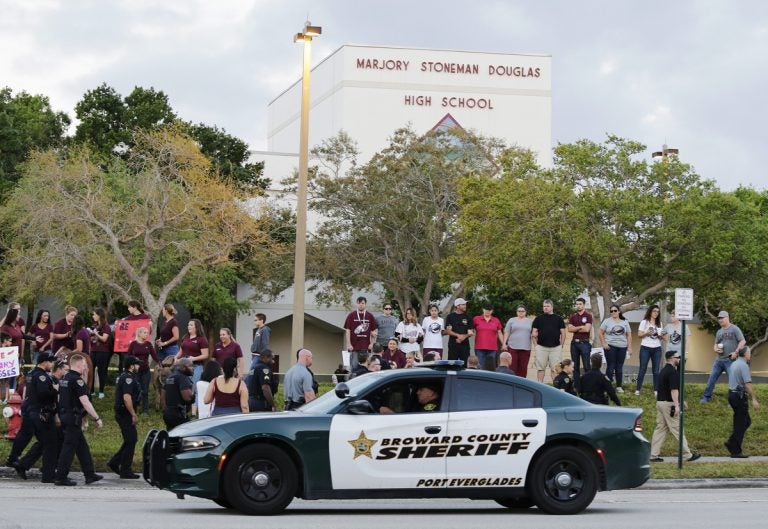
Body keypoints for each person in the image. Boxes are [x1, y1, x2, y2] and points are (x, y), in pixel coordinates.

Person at [7, 352, 58, 482]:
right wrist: (55, 390)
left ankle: (19, 462)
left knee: (36, 439)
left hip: (30, 409)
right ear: (44, 362)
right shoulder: (41, 376)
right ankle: (43, 472)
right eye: (50, 362)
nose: (52, 365)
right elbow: (43, 394)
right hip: (37, 411)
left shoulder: (31, 373)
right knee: (48, 442)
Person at [54, 354, 103, 486]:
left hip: (65, 415)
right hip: (72, 418)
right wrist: (96, 418)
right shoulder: (77, 381)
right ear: (79, 365)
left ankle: (89, 474)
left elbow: (59, 398)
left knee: (82, 447)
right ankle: (60, 477)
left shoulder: (65, 378)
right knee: (69, 448)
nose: (86, 367)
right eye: (85, 365)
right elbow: (85, 402)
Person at [649, 350, 701, 463]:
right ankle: (688, 455)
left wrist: (681, 401)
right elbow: (673, 390)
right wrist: (677, 405)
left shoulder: (663, 370)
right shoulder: (672, 372)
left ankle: (653, 455)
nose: (679, 360)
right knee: (677, 429)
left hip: (660, 403)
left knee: (660, 429)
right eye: (678, 357)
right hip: (669, 404)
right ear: (672, 358)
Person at [107, 356, 142, 479]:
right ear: (131, 366)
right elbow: (127, 398)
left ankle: (115, 463)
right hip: (125, 413)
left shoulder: (126, 376)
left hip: (123, 412)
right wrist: (133, 414)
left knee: (130, 439)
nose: (139, 366)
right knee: (131, 439)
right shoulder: (128, 378)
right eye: (137, 364)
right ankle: (125, 470)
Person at [701, 310, 746, 403]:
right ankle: (706, 397)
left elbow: (743, 341)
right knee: (711, 379)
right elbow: (715, 344)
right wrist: (715, 349)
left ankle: (735, 399)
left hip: (730, 360)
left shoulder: (734, 329)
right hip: (719, 360)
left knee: (734, 382)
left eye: (722, 318)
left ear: (727, 318)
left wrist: (736, 352)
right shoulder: (719, 331)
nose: (720, 320)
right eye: (719, 318)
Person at [725, 346, 760, 458]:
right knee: (741, 423)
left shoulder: (734, 363)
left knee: (745, 421)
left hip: (732, 394)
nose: (750, 355)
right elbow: (748, 384)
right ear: (745, 354)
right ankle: (735, 450)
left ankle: (731, 442)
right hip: (739, 396)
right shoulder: (744, 365)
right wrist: (754, 399)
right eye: (749, 353)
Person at [599, 304, 632, 393]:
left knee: (619, 367)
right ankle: (606, 387)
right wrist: (604, 343)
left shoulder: (625, 322)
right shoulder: (607, 321)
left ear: (619, 311)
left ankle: (619, 386)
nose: (613, 312)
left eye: (615, 310)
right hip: (610, 346)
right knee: (611, 366)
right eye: (611, 311)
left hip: (622, 347)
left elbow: (629, 335)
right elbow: (600, 332)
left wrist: (629, 347)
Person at [126, 326, 159, 415]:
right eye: (144, 332)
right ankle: (134, 409)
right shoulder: (133, 344)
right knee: (137, 390)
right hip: (135, 372)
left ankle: (145, 410)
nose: (146, 334)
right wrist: (128, 368)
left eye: (147, 332)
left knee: (145, 391)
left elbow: (154, 355)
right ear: (139, 334)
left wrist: (160, 363)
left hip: (146, 371)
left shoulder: (148, 344)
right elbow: (128, 357)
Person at [531, 299, 566, 383]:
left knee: (555, 369)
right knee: (540, 369)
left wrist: (561, 346)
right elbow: (533, 333)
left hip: (555, 348)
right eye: (544, 306)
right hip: (541, 348)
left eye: (547, 306)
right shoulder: (538, 319)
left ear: (552, 307)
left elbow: (563, 333)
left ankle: (555, 388)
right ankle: (540, 385)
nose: (545, 308)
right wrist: (536, 346)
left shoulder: (558, 319)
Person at [636, 305, 664, 396]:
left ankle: (656, 390)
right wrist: (647, 333)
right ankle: (638, 389)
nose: (656, 313)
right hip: (645, 347)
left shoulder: (660, 323)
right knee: (642, 369)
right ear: (650, 312)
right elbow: (639, 335)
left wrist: (660, 336)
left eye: (657, 311)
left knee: (656, 370)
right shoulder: (644, 322)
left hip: (657, 348)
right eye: (654, 311)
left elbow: (661, 337)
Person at [344, 296, 377, 372]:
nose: (361, 305)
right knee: (354, 367)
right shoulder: (351, 315)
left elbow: (374, 331)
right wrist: (349, 344)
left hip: (366, 347)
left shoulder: (370, 316)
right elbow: (348, 330)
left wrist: (372, 344)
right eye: (359, 303)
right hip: (354, 347)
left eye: (362, 303)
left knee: (366, 368)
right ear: (357, 304)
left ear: (365, 304)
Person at [567, 298, 593, 390]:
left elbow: (587, 329)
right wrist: (581, 326)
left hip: (585, 343)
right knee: (575, 366)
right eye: (577, 304)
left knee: (586, 366)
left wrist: (575, 328)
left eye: (580, 304)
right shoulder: (573, 317)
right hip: (574, 344)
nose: (578, 306)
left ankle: (589, 386)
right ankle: (577, 387)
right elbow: (569, 329)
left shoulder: (588, 316)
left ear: (584, 305)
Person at [0, 303, 25, 401]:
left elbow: (22, 336)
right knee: (4, 379)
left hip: (16, 354)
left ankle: (11, 397)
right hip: (7, 356)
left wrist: (34, 338)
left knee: (13, 377)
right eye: (17, 310)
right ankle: (3, 397)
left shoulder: (18, 324)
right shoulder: (5, 325)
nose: (19, 312)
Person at [162, 357, 195, 429]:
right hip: (178, 414)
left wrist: (165, 409)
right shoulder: (183, 378)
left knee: (170, 436)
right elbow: (187, 398)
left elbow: (163, 393)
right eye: (190, 366)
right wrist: (193, 395)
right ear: (183, 367)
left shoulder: (170, 377)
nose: (192, 368)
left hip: (168, 413)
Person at [175, 319, 209, 386]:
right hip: (183, 366)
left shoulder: (202, 339)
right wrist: (175, 357)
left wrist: (193, 358)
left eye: (191, 325)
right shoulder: (185, 337)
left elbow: (205, 355)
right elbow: (180, 352)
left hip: (196, 366)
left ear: (196, 327)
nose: (188, 326)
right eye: (188, 325)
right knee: (182, 386)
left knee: (193, 387)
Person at [503, 305, 533, 379]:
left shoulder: (530, 321)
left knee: (523, 368)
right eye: (519, 311)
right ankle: (512, 383)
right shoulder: (512, 320)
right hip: (513, 347)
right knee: (512, 367)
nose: (521, 312)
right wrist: (504, 343)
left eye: (522, 311)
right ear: (516, 312)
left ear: (525, 312)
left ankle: (521, 385)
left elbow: (534, 334)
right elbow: (507, 332)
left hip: (525, 348)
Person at [89, 308, 112, 400]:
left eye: (94, 314)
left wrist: (96, 334)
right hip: (93, 350)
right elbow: (92, 339)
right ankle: (92, 391)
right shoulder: (94, 325)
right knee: (91, 370)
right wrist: (91, 335)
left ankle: (101, 391)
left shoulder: (106, 326)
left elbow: (104, 339)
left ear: (99, 315)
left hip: (103, 352)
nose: (93, 316)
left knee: (101, 371)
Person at [473, 304, 503, 370]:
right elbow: (470, 329)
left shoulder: (496, 320)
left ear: (492, 311)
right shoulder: (476, 319)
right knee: (480, 366)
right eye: (486, 310)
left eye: (489, 310)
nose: (487, 311)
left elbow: (499, 332)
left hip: (492, 348)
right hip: (479, 347)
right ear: (483, 309)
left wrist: (503, 344)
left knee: (490, 367)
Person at [445, 298, 474, 364]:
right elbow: (448, 331)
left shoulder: (468, 317)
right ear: (457, 306)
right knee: (451, 365)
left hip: (465, 346)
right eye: (463, 304)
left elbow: (471, 332)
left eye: (465, 304)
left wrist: (463, 337)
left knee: (465, 366)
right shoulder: (450, 317)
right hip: (453, 345)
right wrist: (458, 335)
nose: (465, 306)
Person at [248, 313, 270, 382]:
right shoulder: (258, 330)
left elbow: (265, 344)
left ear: (261, 320)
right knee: (253, 374)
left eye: (256, 320)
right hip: (254, 355)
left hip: (259, 356)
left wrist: (263, 357)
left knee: (251, 373)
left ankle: (245, 389)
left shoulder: (265, 330)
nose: (255, 322)